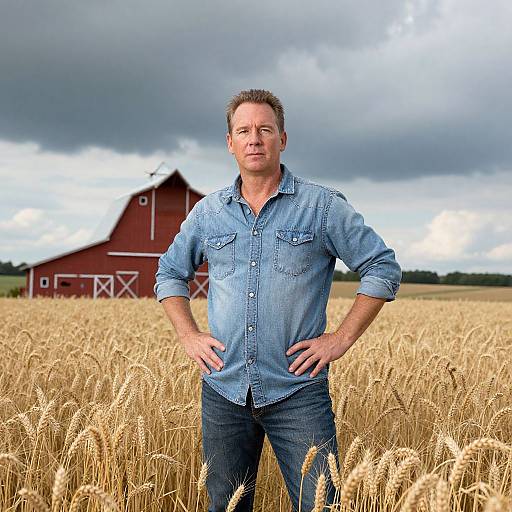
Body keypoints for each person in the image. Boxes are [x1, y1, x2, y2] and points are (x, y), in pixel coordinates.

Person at [154, 89, 401, 512]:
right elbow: (170, 273)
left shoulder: (321, 207)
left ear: (282, 139)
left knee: (320, 506)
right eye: (244, 131)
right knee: (225, 507)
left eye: (265, 129)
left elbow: (382, 267)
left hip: (297, 390)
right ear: (230, 142)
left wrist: (339, 339)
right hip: (223, 388)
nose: (255, 139)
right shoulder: (208, 212)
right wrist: (188, 334)